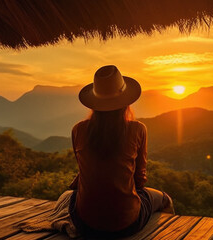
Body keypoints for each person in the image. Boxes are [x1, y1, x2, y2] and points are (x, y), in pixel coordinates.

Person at [69, 65, 174, 238]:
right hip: (126, 224)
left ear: (94, 102)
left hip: (84, 224)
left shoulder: (77, 130)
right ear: (126, 101)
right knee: (164, 199)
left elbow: (85, 170)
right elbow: (140, 181)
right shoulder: (138, 129)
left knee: (68, 196)